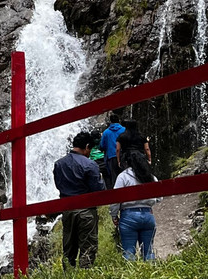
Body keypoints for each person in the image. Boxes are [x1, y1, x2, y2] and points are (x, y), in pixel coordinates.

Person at [53, 131, 106, 269]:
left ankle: (67, 276)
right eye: (90, 149)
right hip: (86, 211)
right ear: (87, 146)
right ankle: (85, 278)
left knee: (69, 248)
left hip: (67, 211)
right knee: (88, 247)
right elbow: (99, 189)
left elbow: (58, 185)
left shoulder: (59, 164)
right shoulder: (90, 164)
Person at [110, 150, 160, 261]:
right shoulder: (150, 177)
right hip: (148, 215)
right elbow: (159, 197)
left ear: (126, 162)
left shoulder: (123, 176)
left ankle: (131, 276)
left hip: (129, 216)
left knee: (129, 253)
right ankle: (152, 275)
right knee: (148, 252)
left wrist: (114, 215)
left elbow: (115, 199)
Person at [98, 113, 126, 189]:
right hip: (123, 156)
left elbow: (102, 146)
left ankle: (116, 196)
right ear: (118, 120)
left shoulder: (106, 132)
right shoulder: (124, 130)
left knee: (114, 177)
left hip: (111, 157)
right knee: (125, 174)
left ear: (110, 121)